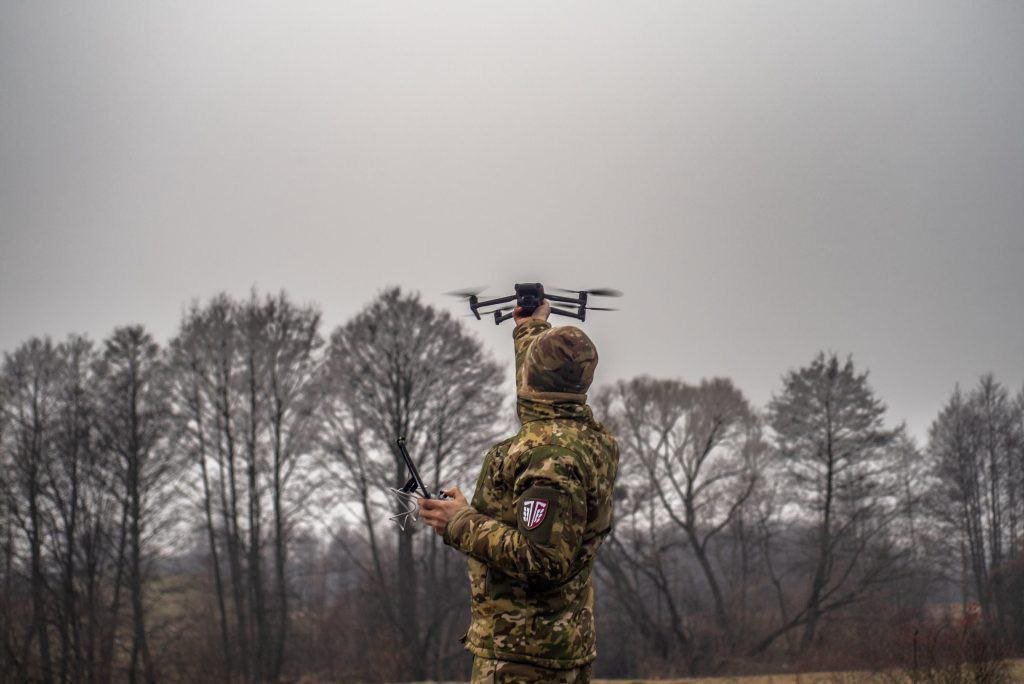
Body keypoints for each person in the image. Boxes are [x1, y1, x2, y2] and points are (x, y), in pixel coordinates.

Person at [418, 300, 620, 683]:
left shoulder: (548, 458)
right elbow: (539, 396)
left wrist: (460, 522)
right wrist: (530, 328)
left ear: (536, 380)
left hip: (524, 661)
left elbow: (544, 559)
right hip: (557, 646)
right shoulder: (591, 438)